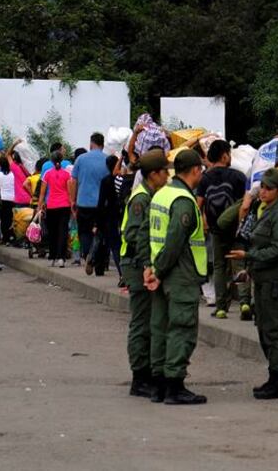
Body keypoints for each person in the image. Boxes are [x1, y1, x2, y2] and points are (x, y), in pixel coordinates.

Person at [227, 168, 278, 399]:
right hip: (263, 279)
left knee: (273, 332)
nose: (263, 192)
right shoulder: (264, 211)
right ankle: (274, 378)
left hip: (277, 282)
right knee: (264, 330)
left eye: (268, 188)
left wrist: (248, 257)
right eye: (262, 187)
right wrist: (249, 269)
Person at [147, 148, 208, 405]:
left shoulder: (162, 194)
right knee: (181, 329)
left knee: (160, 328)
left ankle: (160, 385)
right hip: (179, 273)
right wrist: (160, 272)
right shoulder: (183, 200)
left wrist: (154, 270)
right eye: (201, 169)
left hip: (160, 270)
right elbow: (174, 241)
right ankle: (175, 386)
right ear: (195, 170)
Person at [120, 150, 170, 398]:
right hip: (136, 265)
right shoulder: (142, 199)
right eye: (165, 171)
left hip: (140, 264)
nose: (168, 175)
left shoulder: (151, 195)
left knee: (150, 321)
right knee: (142, 322)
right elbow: (132, 234)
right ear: (154, 174)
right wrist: (146, 267)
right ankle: (139, 377)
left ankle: (147, 372)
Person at [195, 139, 250, 320]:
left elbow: (199, 204)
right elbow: (245, 204)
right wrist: (242, 225)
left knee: (219, 267)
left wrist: (204, 222)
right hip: (237, 228)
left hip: (216, 229)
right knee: (239, 265)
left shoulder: (205, 178)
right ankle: (244, 304)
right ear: (225, 155)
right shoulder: (238, 177)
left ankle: (220, 307)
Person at [72, 133, 109, 273]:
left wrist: (72, 200)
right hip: (102, 204)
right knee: (101, 233)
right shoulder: (108, 160)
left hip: (84, 202)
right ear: (102, 144)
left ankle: (88, 253)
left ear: (91, 143)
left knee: (84, 231)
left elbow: (73, 181)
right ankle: (100, 266)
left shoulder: (80, 159)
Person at [40, 152, 73, 267]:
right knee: (63, 232)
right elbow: (69, 192)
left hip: (51, 206)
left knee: (52, 232)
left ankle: (52, 256)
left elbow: (42, 193)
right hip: (64, 206)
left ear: (52, 161)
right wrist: (72, 205)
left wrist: (40, 205)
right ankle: (61, 258)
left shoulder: (47, 174)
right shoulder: (67, 174)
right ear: (62, 160)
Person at [95, 155, 126, 277]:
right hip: (121, 214)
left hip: (109, 216)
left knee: (112, 245)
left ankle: (119, 272)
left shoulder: (106, 180)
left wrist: (97, 222)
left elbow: (101, 202)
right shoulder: (123, 179)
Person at [0, 152, 17, 246]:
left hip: (2, 199)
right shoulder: (13, 175)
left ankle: (5, 238)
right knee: (12, 219)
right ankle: (11, 237)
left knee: (3, 220)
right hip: (12, 199)